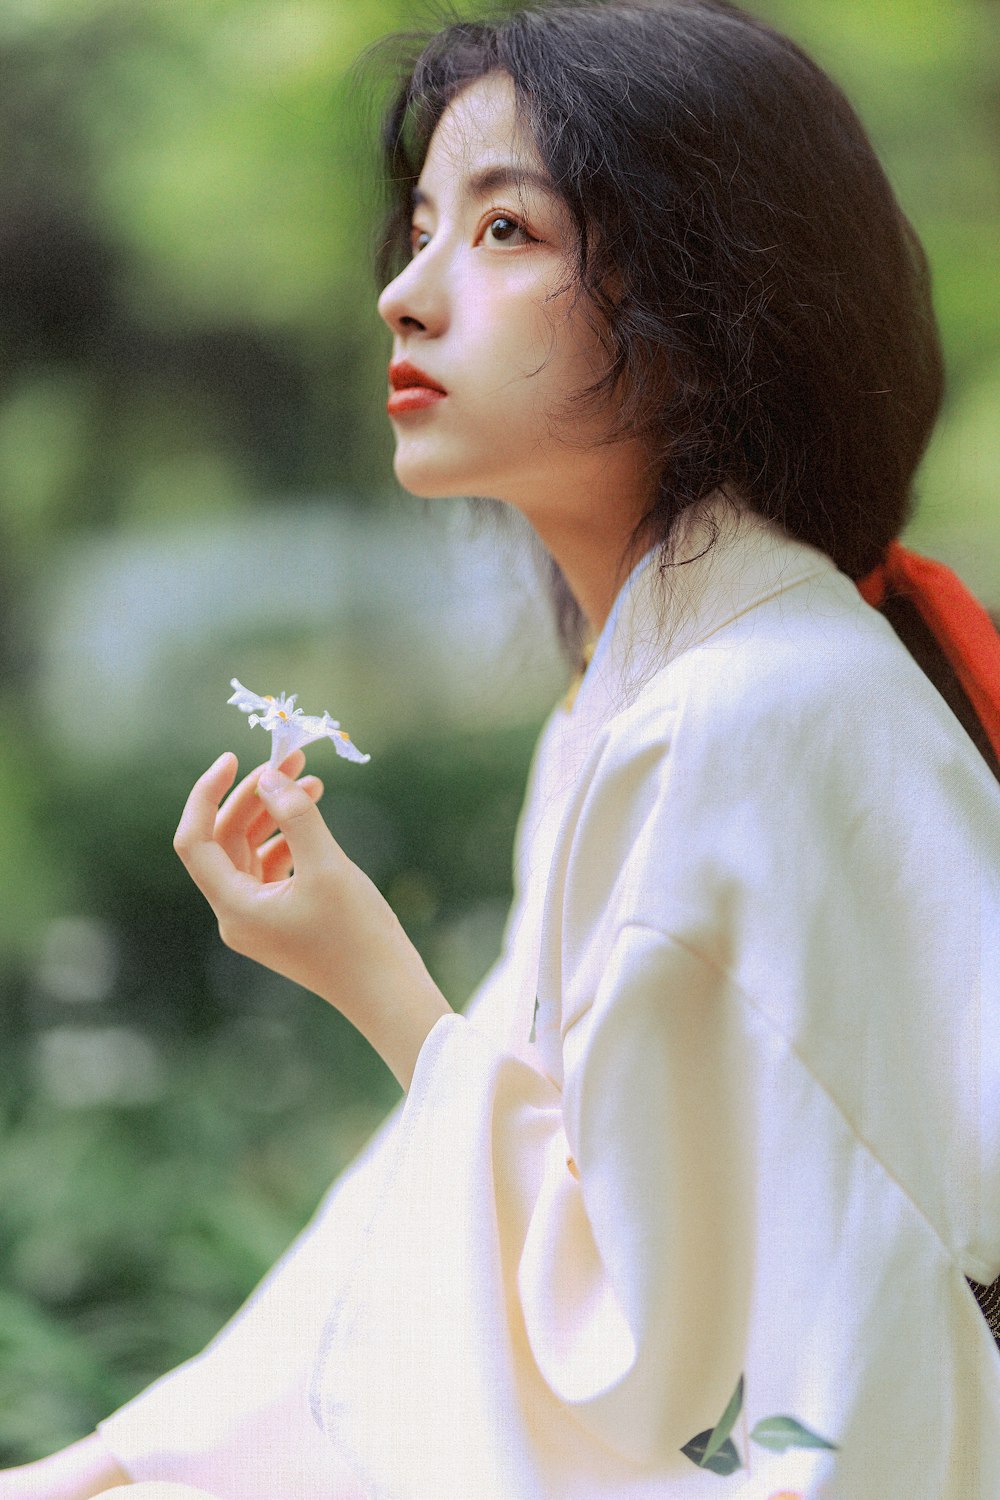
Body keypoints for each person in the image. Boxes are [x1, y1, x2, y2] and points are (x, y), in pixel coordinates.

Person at [3, 1, 999, 1496]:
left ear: (711, 300)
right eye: (418, 230)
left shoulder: (765, 714)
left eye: (505, 233)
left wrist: (377, 984)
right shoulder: (635, 705)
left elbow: (687, 1365)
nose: (405, 294)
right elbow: (491, 1211)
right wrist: (135, 1454)